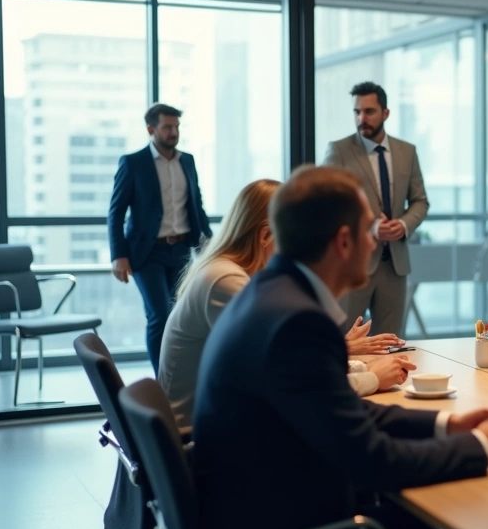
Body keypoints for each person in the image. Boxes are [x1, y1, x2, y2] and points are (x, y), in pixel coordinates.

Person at [189, 166, 488, 529]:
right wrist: (481, 447)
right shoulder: (296, 322)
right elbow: (371, 460)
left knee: (418, 513)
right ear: (343, 242)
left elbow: (346, 410)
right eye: (369, 230)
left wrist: (447, 425)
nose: (375, 242)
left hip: (260, 514)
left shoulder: (270, 295)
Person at [157, 179, 408, 430]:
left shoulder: (224, 272)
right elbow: (291, 385)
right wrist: (372, 378)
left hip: (220, 426)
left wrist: (346, 358)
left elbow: (288, 364)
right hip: (201, 439)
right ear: (265, 235)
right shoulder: (225, 281)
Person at [107, 103, 212, 372]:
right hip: (147, 253)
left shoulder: (187, 160)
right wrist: (119, 255)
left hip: (181, 250)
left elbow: (196, 206)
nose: (173, 132)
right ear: (151, 129)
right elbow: (116, 213)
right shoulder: (133, 163)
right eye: (167, 127)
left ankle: (179, 373)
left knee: (179, 315)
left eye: (176, 127)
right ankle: (162, 380)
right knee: (159, 315)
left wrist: (210, 244)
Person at [323, 81, 429, 337]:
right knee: (346, 341)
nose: (361, 119)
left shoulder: (407, 152)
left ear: (385, 113)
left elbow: (420, 201)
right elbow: (326, 203)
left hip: (395, 265)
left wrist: (403, 225)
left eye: (369, 111)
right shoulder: (339, 151)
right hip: (354, 264)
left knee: (390, 344)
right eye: (357, 112)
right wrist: (370, 226)